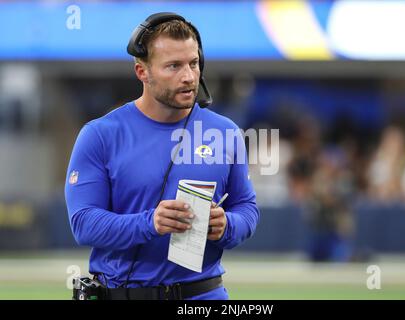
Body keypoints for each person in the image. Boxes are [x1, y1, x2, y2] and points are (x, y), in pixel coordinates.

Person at [65, 12, 259, 300]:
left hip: (203, 296)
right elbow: (83, 223)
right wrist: (150, 223)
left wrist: (227, 225)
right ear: (142, 72)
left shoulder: (226, 132)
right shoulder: (100, 134)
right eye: (173, 66)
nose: (189, 76)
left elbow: (247, 207)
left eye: (194, 63)